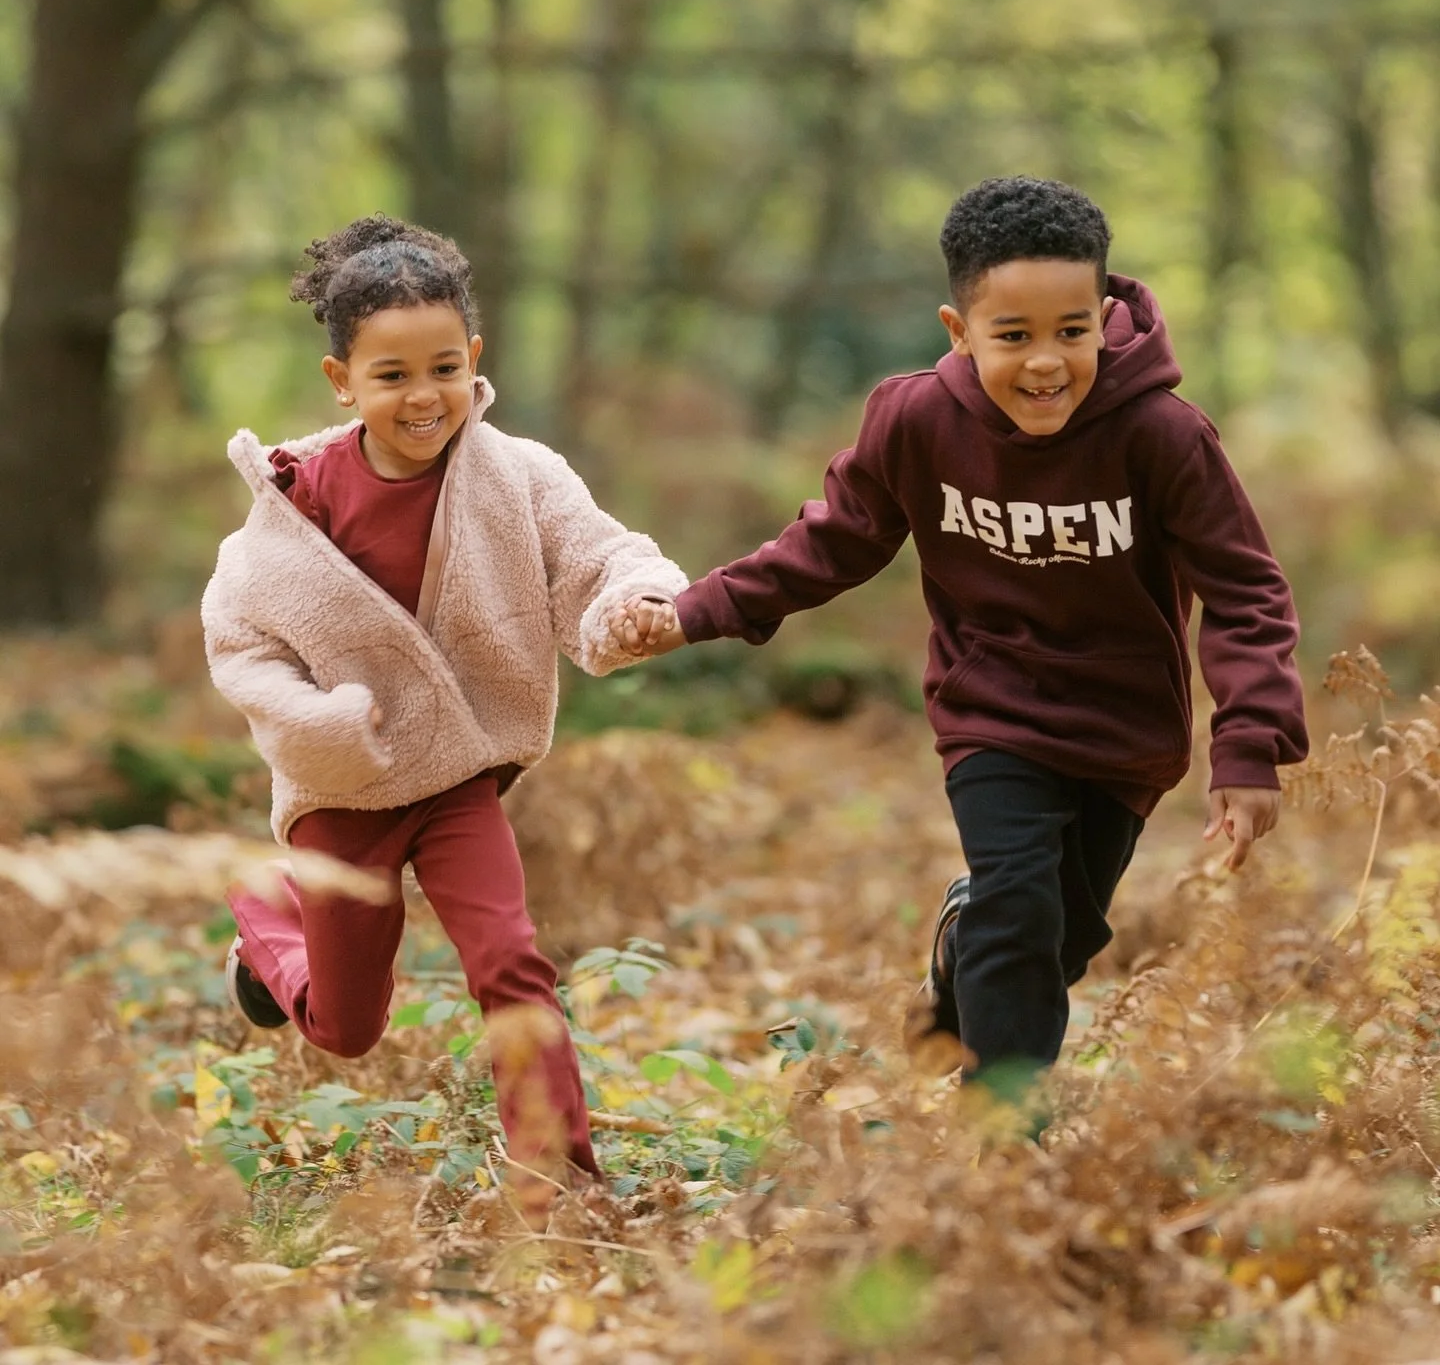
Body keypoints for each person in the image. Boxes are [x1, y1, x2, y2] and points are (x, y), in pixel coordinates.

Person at [617, 176, 1308, 1091]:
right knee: (1019, 913)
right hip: (993, 711)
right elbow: (834, 540)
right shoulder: (917, 421)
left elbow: (1244, 589)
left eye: (1071, 332)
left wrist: (1249, 744)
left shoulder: (1162, 437)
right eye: (1011, 337)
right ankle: (1003, 1138)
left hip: (1125, 731)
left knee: (1060, 936)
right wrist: (699, 611)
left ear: (1103, 315)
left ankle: (958, 962)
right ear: (959, 330)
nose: (1046, 362)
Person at [202, 215, 686, 1199]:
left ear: (473, 357)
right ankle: (265, 917)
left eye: (441, 369)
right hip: (346, 787)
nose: (423, 398)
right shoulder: (298, 499)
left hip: (459, 776)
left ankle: (558, 1179)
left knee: (512, 959)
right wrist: (316, 719)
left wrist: (636, 602)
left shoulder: (518, 475)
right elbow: (240, 637)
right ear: (344, 382)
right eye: (391, 378)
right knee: (347, 1027)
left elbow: (602, 555)